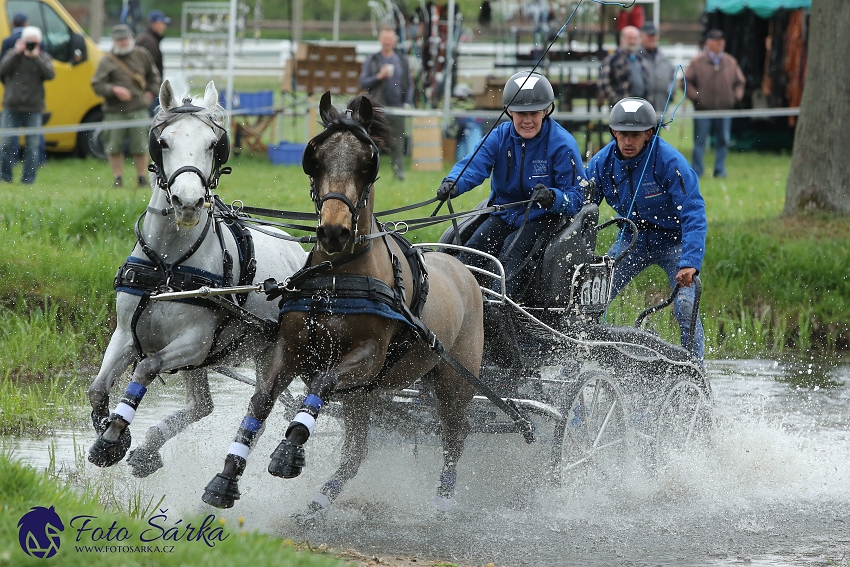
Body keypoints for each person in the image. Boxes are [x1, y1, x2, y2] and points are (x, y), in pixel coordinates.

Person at [436, 71, 587, 298]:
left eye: (534, 113)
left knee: (512, 250)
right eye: (520, 113)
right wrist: (453, 183)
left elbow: (576, 198)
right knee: (473, 251)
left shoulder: (562, 143)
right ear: (509, 111)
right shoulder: (499, 136)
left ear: (546, 111)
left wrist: (553, 198)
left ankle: (497, 308)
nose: (527, 120)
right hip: (504, 214)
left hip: (543, 218)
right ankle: (455, 303)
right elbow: (474, 165)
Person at [586, 98, 706, 359]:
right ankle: (579, 367)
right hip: (630, 240)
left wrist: (690, 261)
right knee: (591, 299)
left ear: (649, 133)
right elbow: (582, 214)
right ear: (614, 132)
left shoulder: (670, 162)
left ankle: (694, 371)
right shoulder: (600, 164)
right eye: (623, 134)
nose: (628, 141)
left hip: (674, 243)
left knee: (686, 306)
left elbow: (693, 211)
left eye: (635, 135)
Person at [91, 24, 161, 188]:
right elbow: (96, 84)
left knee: (141, 146)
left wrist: (150, 93)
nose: (123, 42)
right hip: (114, 111)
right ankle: (118, 178)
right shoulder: (107, 61)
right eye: (119, 40)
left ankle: (142, 178)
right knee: (113, 146)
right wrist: (113, 89)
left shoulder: (142, 55)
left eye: (125, 39)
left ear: (131, 39)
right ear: (114, 41)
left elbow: (154, 77)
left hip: (138, 109)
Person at [684, 28, 745, 179]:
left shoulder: (730, 62)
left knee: (723, 140)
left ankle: (720, 170)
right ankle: (697, 171)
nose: (720, 44)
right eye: (716, 41)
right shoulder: (697, 62)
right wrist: (697, 97)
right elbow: (686, 82)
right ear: (708, 43)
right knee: (699, 142)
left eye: (721, 41)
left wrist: (734, 97)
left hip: (724, 110)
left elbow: (740, 82)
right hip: (703, 110)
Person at [0, 26, 54, 184]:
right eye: (29, 42)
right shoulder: (13, 55)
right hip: (11, 107)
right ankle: (4, 176)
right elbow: (2, 70)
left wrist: (35, 57)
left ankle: (28, 180)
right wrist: (17, 53)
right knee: (5, 144)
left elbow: (50, 75)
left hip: (34, 108)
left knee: (32, 146)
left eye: (34, 42)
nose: (31, 45)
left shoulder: (43, 57)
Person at [360, 27, 413, 181]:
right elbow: (363, 81)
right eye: (385, 39)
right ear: (380, 40)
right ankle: (367, 174)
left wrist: (405, 103)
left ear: (395, 41)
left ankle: (399, 174)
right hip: (376, 109)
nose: (387, 42)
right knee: (370, 142)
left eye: (390, 39)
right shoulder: (373, 59)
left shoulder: (402, 61)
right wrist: (379, 76)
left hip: (397, 108)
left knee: (397, 143)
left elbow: (409, 85)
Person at [598, 25, 648, 109]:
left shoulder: (641, 60)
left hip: (641, 107)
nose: (632, 41)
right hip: (621, 109)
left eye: (635, 38)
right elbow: (604, 83)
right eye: (629, 38)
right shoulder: (612, 59)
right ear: (622, 39)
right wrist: (617, 101)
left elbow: (647, 84)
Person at [638, 22, 676, 112]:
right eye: (649, 35)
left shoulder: (664, 59)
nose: (652, 38)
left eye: (654, 35)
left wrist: (670, 96)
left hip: (660, 109)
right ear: (641, 36)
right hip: (639, 112)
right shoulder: (635, 58)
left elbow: (672, 80)